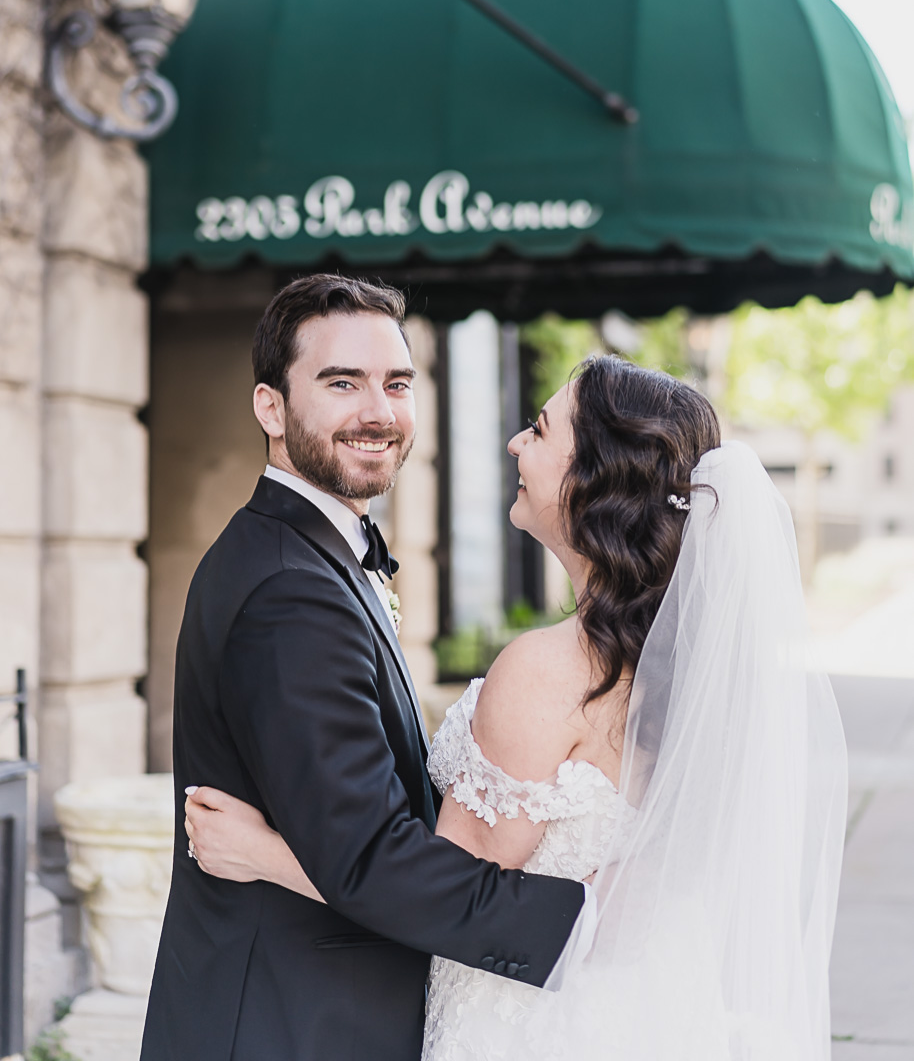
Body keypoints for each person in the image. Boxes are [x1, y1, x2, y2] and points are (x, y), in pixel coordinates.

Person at [186, 355, 848, 1061]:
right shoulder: (689, 671)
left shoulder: (549, 669)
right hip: (649, 1004)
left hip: (526, 1021)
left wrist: (263, 854)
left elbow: (440, 887)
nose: (514, 443)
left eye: (539, 429)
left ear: (593, 480)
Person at [140, 275, 591, 1061]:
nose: (378, 412)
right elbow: (370, 859)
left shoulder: (313, 558)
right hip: (292, 1026)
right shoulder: (290, 591)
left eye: (396, 384)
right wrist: (578, 922)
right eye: (341, 383)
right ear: (270, 408)